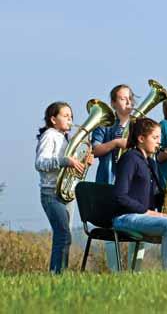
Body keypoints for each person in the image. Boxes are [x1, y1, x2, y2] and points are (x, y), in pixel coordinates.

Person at [111, 117, 167, 272]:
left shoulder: (151, 162)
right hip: (125, 217)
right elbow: (120, 196)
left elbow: (152, 198)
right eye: (155, 138)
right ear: (141, 139)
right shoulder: (129, 159)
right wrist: (146, 211)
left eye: (159, 138)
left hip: (142, 216)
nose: (158, 142)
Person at [91, 84, 145, 271]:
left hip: (133, 185)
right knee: (110, 229)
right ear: (113, 103)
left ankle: (134, 270)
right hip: (109, 181)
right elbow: (95, 150)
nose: (128, 101)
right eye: (123, 98)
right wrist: (115, 143)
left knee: (140, 226)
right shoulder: (104, 123)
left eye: (130, 98)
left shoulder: (138, 125)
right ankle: (116, 272)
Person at [35, 101, 89, 273]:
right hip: (51, 193)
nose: (70, 119)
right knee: (63, 235)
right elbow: (40, 163)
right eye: (65, 116)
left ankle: (60, 274)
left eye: (71, 116)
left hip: (65, 193)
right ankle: (56, 274)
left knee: (65, 237)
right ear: (53, 119)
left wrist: (83, 162)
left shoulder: (63, 138)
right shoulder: (50, 135)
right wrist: (66, 161)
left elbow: (71, 166)